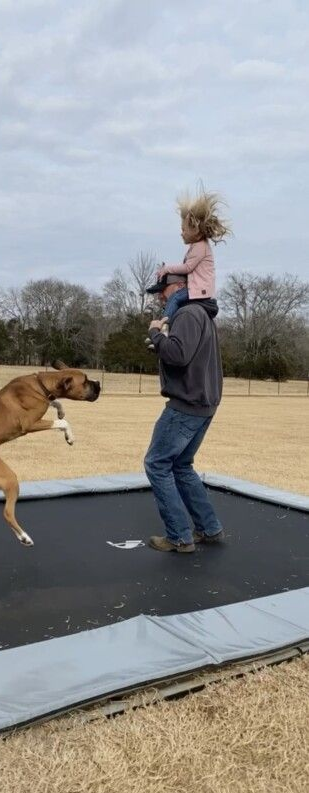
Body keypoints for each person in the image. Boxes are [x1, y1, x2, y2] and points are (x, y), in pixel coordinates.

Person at [144, 272, 223, 553]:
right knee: (181, 465)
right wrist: (162, 345)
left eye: (163, 290)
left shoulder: (188, 313)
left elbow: (178, 355)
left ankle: (179, 536)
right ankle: (209, 528)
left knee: (157, 464)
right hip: (203, 404)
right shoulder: (202, 313)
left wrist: (155, 333)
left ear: (179, 287)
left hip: (186, 404)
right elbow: (185, 356)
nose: (160, 296)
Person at [156, 188, 231, 322]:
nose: (182, 233)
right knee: (177, 299)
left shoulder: (200, 246)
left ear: (195, 230)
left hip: (199, 290)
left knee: (175, 297)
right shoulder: (196, 247)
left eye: (184, 230)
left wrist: (167, 269)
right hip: (196, 288)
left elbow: (187, 267)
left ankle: (164, 322)